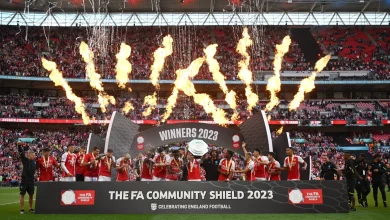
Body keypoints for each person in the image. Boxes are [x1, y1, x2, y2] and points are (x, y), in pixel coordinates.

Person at [17, 143, 36, 214]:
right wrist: (19, 146)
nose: (34, 156)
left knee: (31, 194)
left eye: (34, 155)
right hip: (25, 180)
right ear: (28, 155)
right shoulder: (25, 160)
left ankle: (30, 208)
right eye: (32, 155)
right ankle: (22, 209)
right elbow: (21, 153)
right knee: (22, 194)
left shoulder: (34, 162)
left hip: (31, 180)